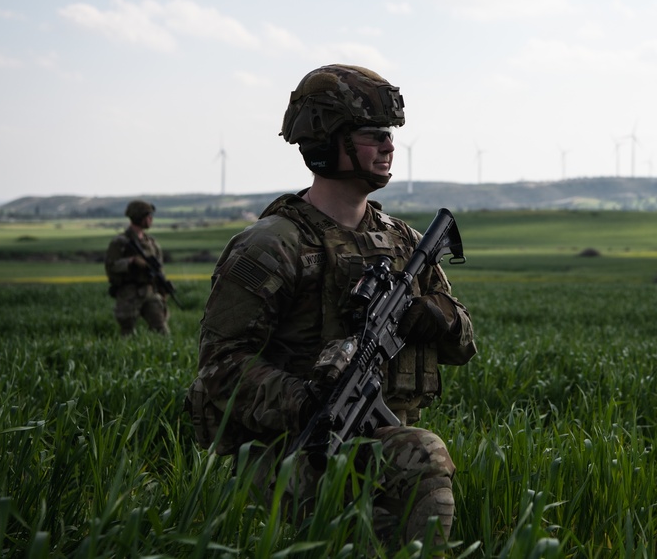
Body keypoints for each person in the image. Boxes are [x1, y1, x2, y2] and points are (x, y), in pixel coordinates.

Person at [184, 64, 477, 547]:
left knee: (413, 454)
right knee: (423, 454)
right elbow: (220, 367)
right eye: (373, 135)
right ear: (326, 142)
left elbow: (464, 343)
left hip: (380, 442)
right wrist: (306, 400)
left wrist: (435, 315)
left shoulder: (404, 242)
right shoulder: (271, 245)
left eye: (389, 135)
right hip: (288, 453)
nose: (388, 146)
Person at [104, 200, 171, 336]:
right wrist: (131, 261)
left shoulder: (151, 243)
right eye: (148, 216)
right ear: (139, 217)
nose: (151, 219)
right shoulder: (120, 242)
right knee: (127, 333)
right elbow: (111, 266)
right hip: (129, 292)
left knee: (162, 330)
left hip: (149, 291)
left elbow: (158, 269)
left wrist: (162, 288)